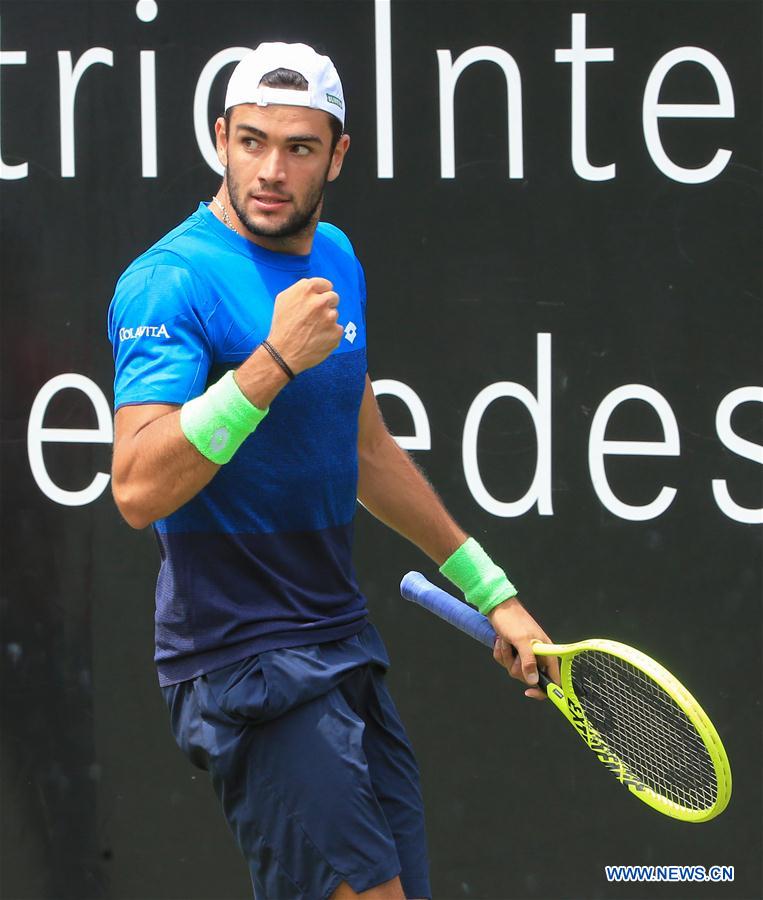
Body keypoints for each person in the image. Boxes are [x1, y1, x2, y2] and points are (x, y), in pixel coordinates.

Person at [108, 41, 559, 900]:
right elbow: (136, 486)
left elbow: (365, 451)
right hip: (240, 658)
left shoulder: (337, 260)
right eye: (250, 142)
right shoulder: (168, 282)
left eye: (299, 147)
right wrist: (270, 362)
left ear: (339, 154)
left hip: (339, 640)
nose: (270, 169)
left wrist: (493, 592)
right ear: (220, 138)